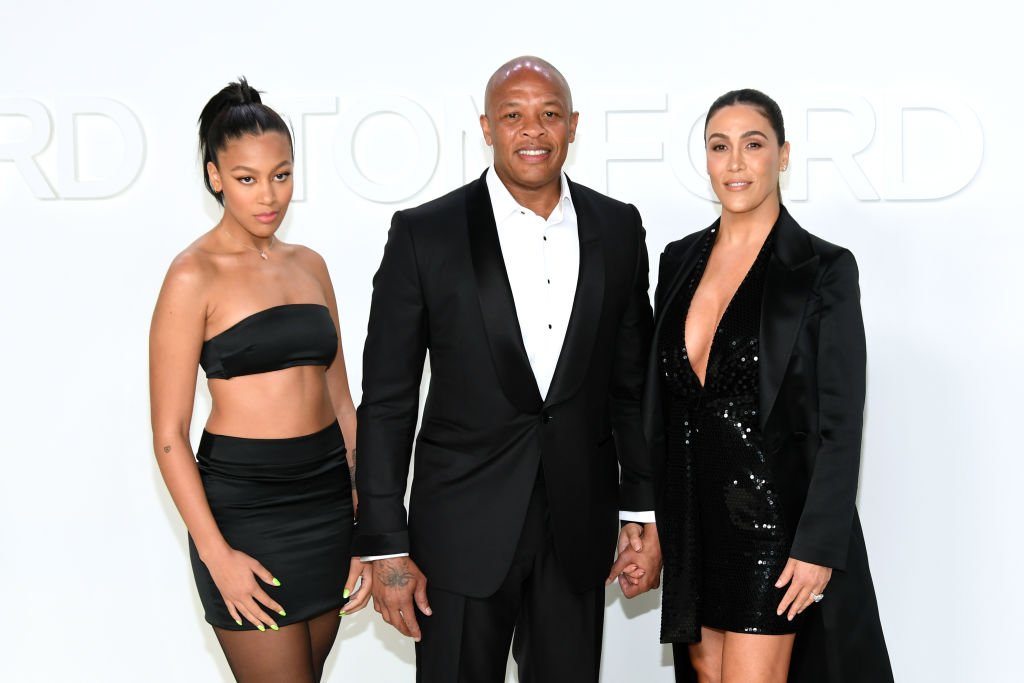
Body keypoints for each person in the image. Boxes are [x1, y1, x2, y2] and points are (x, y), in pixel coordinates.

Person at [353, 56, 662, 682]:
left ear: (573, 125)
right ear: (487, 127)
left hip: (579, 529)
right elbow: (388, 399)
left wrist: (645, 511)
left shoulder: (619, 227)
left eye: (549, 114)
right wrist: (385, 541)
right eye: (513, 115)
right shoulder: (425, 233)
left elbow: (633, 389)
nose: (533, 131)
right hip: (458, 534)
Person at [636, 88, 893, 682]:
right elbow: (662, 409)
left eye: (753, 145)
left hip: (772, 531)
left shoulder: (823, 268)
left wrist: (819, 546)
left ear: (782, 155)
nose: (735, 163)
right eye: (719, 146)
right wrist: (647, 521)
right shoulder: (678, 262)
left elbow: (840, 421)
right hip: (694, 529)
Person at [149, 78, 370, 683]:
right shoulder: (192, 275)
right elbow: (168, 435)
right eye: (246, 178)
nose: (268, 194)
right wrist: (217, 556)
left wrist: (367, 522)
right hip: (244, 511)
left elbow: (343, 402)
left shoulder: (311, 266)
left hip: (328, 506)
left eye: (282, 174)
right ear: (215, 176)